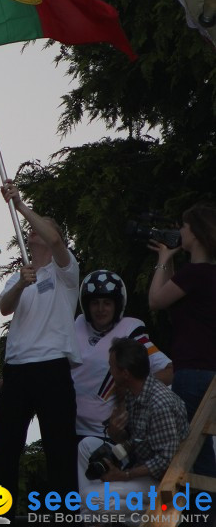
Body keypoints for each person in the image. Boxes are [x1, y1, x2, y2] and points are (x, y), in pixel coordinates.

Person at [0, 180, 81, 517]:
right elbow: (4, 307)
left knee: (59, 450)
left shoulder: (66, 271)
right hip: (17, 369)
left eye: (40, 226)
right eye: (32, 227)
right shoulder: (23, 273)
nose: (34, 231)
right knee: (5, 448)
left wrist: (21, 206)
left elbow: (56, 238)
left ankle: (65, 517)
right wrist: (21, 284)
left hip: (52, 367)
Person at [77, 337, 189, 525]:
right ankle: (95, 514)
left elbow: (166, 461)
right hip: (141, 469)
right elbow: (134, 440)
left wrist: (124, 476)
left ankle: (163, 515)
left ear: (125, 373)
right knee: (86, 445)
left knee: (90, 500)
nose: (109, 371)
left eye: (111, 366)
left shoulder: (160, 404)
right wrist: (115, 433)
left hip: (163, 482)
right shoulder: (133, 393)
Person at [148, 202, 216, 479]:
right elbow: (174, 292)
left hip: (191, 373)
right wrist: (171, 260)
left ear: (197, 233)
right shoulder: (205, 275)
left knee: (192, 457)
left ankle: (204, 519)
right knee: (202, 451)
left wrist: (163, 260)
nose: (180, 231)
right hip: (210, 372)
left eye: (185, 226)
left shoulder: (194, 274)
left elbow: (155, 300)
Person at [73, 269, 172, 440]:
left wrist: (132, 386)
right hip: (69, 428)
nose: (101, 309)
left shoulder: (131, 332)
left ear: (117, 305)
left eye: (107, 303)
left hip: (104, 433)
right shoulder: (76, 326)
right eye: (95, 303)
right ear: (86, 305)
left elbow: (170, 370)